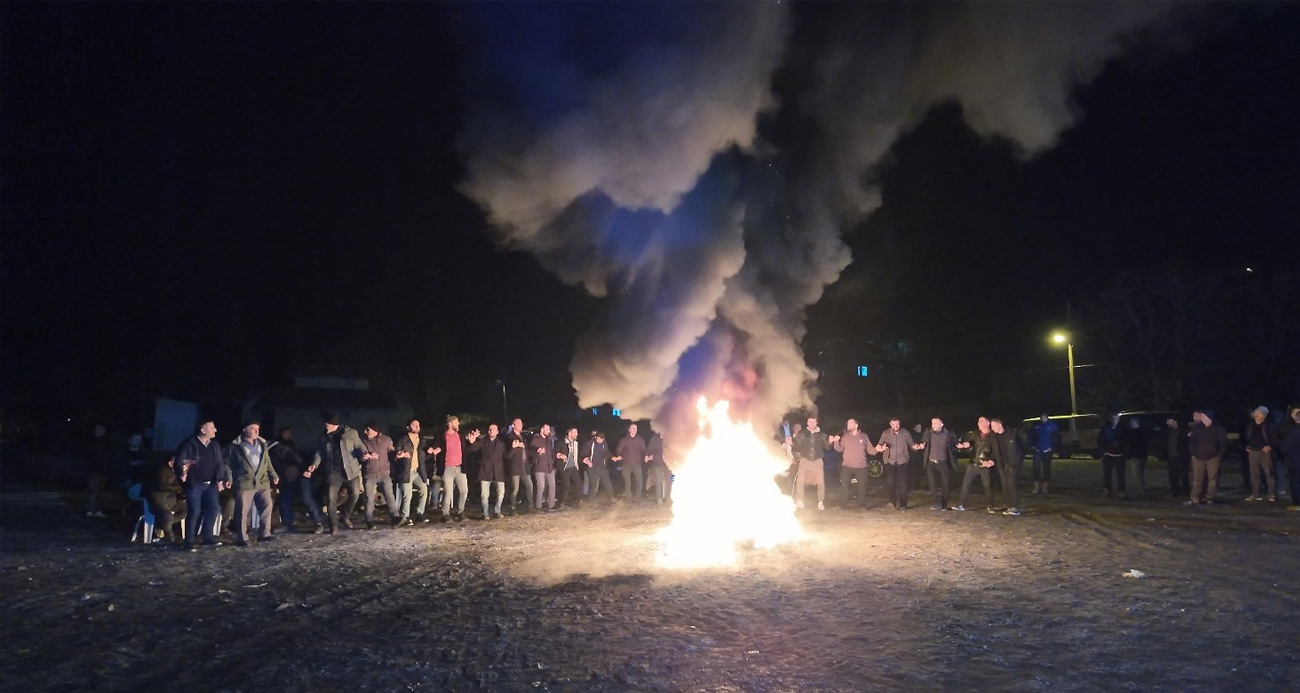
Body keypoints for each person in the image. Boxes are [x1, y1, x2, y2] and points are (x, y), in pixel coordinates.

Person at [305, 413, 366, 534]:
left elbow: (359, 446)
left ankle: (345, 516)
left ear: (334, 425)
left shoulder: (350, 433)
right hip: (333, 471)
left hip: (351, 470)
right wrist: (314, 465)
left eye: (328, 424)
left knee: (355, 494)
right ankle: (333, 525)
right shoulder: (323, 437)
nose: (325, 426)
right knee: (330, 499)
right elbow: (318, 453)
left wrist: (364, 455)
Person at [175, 419, 228, 551]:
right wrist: (184, 474)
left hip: (211, 484)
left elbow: (220, 463)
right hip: (195, 484)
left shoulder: (214, 445)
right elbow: (181, 462)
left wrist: (220, 479)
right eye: (212, 427)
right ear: (203, 430)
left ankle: (207, 537)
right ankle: (189, 541)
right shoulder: (189, 444)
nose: (215, 430)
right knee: (194, 511)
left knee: (214, 508)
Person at [226, 421, 280, 546]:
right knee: (242, 511)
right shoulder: (235, 447)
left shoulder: (262, 444)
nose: (257, 431)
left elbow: (267, 462)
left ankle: (265, 534)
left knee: (267, 506)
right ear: (245, 430)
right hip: (245, 482)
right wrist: (228, 478)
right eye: (253, 429)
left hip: (262, 481)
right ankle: (242, 538)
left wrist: (274, 475)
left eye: (258, 429)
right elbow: (227, 464)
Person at [269, 427, 324, 534]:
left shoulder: (278, 448)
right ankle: (287, 524)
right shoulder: (274, 448)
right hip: (287, 478)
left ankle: (318, 522)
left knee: (307, 499)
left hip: (299, 476)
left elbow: (294, 457)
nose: (287, 435)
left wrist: (303, 469)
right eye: (285, 433)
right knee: (285, 500)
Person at [393, 418, 439, 526]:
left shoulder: (422, 440)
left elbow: (423, 458)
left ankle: (420, 513)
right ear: (408, 427)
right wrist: (399, 455)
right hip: (406, 471)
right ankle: (405, 516)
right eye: (414, 425)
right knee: (407, 495)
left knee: (424, 489)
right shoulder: (403, 439)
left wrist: (432, 453)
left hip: (418, 471)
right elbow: (395, 453)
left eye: (418, 425)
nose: (417, 427)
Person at [790, 416, 838, 510]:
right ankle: (800, 501)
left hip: (817, 461)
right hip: (805, 460)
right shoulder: (802, 433)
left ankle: (820, 501)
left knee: (820, 482)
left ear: (817, 423)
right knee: (800, 481)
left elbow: (827, 447)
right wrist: (791, 442)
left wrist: (831, 442)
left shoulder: (822, 435)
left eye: (814, 422)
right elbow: (797, 445)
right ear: (807, 423)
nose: (812, 424)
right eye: (810, 422)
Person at [359, 423, 399, 529]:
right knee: (369, 498)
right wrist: (364, 456)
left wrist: (396, 455)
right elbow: (360, 454)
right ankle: (369, 520)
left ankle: (395, 517)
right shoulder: (363, 441)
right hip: (369, 473)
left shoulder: (386, 440)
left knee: (389, 495)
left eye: (368, 430)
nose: (365, 432)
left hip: (384, 473)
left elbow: (391, 452)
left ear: (375, 430)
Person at [914, 417, 959, 510]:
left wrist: (961, 445)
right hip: (931, 462)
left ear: (941, 424)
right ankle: (935, 503)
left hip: (943, 463)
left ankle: (944, 505)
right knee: (932, 483)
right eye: (932, 423)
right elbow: (924, 442)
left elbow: (955, 444)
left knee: (945, 484)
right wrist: (920, 446)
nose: (933, 425)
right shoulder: (928, 431)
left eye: (935, 423)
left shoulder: (948, 433)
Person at [1186, 408, 1229, 505]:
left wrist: (1219, 454)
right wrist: (1193, 453)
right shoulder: (1197, 428)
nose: (1200, 417)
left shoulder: (1218, 428)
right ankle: (1195, 497)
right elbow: (1192, 442)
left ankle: (1210, 497)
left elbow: (1223, 443)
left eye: (1202, 415)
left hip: (1213, 457)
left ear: (1208, 417)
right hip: (1198, 457)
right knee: (1197, 478)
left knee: (1212, 478)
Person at [466, 423, 508, 519]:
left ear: (497, 432)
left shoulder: (501, 443)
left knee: (501, 492)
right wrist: (472, 442)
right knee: (484, 495)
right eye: (489, 429)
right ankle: (485, 513)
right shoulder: (482, 441)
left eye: (493, 429)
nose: (491, 431)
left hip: (498, 472)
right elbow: (472, 449)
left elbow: (506, 456)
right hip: (485, 472)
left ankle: (497, 511)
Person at [954, 417, 994, 512]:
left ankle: (990, 505)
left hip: (985, 464)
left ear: (988, 423)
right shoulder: (976, 433)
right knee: (965, 484)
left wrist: (989, 460)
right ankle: (961, 504)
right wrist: (965, 445)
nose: (979, 423)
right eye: (978, 421)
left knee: (987, 486)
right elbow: (971, 442)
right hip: (973, 463)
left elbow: (995, 451)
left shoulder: (992, 435)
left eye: (981, 421)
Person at [833, 419, 874, 510]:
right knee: (845, 486)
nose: (848, 425)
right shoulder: (845, 437)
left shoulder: (864, 436)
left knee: (862, 487)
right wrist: (836, 441)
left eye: (851, 423)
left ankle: (862, 505)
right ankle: (843, 505)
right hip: (847, 465)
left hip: (861, 466)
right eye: (847, 424)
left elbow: (870, 449)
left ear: (856, 425)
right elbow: (839, 449)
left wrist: (877, 449)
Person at [145, 455, 186, 543]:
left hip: (171, 499)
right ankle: (168, 535)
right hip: (157, 498)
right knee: (167, 515)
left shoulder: (176, 472)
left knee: (187, 510)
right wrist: (180, 487)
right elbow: (161, 486)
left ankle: (161, 524)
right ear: (171, 463)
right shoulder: (161, 471)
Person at [877, 418, 915, 510]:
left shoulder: (905, 433)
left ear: (900, 424)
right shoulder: (885, 433)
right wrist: (881, 447)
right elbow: (879, 445)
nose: (895, 426)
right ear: (890, 424)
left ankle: (903, 504)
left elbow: (912, 444)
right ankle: (892, 502)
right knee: (891, 482)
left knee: (903, 483)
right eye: (893, 425)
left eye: (897, 424)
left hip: (902, 461)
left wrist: (916, 447)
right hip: (890, 461)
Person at [990, 419, 1025, 516]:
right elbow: (995, 450)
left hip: (1013, 464)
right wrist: (992, 460)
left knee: (1011, 485)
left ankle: (1015, 507)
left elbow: (1023, 447)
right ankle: (1008, 505)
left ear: (999, 424)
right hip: (1002, 464)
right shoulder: (995, 436)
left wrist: (1017, 461)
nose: (992, 429)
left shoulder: (1012, 434)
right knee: (1005, 485)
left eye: (993, 426)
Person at [1243, 406, 1278, 502]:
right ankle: (1256, 494)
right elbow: (1247, 437)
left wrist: (1269, 446)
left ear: (1263, 415)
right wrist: (1247, 446)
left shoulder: (1270, 425)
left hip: (1265, 453)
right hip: (1253, 452)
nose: (1255, 414)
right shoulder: (1250, 425)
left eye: (1257, 412)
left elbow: (1276, 439)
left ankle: (1272, 494)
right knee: (1254, 474)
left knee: (1269, 473)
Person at [440, 415, 469, 521]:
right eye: (456, 422)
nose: (458, 424)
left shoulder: (460, 436)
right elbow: (437, 447)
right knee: (448, 492)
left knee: (464, 491)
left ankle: (460, 512)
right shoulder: (443, 436)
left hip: (460, 467)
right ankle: (445, 514)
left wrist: (470, 442)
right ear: (450, 423)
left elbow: (465, 449)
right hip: (448, 468)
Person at [83, 423, 112, 518]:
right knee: (93, 490)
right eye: (98, 428)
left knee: (100, 491)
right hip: (93, 470)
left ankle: (97, 509)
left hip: (103, 469)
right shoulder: (90, 441)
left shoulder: (106, 441)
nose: (100, 430)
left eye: (102, 428)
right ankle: (90, 510)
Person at [612, 423, 647, 502]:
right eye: (633, 428)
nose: (635, 430)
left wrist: (645, 456)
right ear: (629, 430)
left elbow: (644, 450)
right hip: (626, 464)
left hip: (637, 464)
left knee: (639, 481)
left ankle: (637, 498)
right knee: (627, 482)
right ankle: (629, 499)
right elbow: (619, 449)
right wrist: (618, 455)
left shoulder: (640, 440)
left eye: (636, 428)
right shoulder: (624, 440)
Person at [505, 419, 534, 512]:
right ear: (513, 426)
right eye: (519, 424)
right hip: (515, 466)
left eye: (521, 423)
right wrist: (514, 447)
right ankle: (512, 508)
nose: (521, 425)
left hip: (524, 466)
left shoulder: (522, 436)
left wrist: (536, 452)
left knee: (529, 485)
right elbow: (507, 455)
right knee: (515, 488)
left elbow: (526, 451)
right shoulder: (509, 437)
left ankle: (530, 506)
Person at [1098, 414, 1128, 499]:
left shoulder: (1123, 427)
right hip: (1108, 454)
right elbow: (1100, 440)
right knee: (1107, 474)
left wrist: (1120, 444)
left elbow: (1127, 439)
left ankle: (1121, 491)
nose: (1115, 419)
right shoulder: (1105, 427)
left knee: (1120, 474)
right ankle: (1107, 490)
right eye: (1113, 417)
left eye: (1116, 417)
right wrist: (1104, 451)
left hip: (1119, 454)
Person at [1028, 414, 1059, 495]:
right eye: (1041, 417)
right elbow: (1030, 436)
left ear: (1047, 418)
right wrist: (1033, 446)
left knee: (1047, 469)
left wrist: (1052, 447)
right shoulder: (1036, 425)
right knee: (1035, 469)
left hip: (1047, 451)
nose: (1043, 419)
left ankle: (1045, 488)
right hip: (1037, 451)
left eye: (1044, 417)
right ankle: (1036, 488)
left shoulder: (1052, 425)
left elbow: (1057, 437)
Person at [530, 424, 558, 511]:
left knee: (552, 485)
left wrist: (556, 455)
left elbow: (550, 453)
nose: (549, 431)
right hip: (539, 467)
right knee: (541, 486)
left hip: (549, 466)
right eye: (547, 429)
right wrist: (537, 451)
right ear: (542, 430)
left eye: (549, 430)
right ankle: (538, 506)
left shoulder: (548, 441)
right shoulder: (536, 439)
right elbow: (530, 451)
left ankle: (551, 505)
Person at [556, 426, 585, 508]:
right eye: (575, 432)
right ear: (569, 433)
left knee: (578, 483)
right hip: (564, 467)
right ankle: (563, 503)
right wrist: (559, 455)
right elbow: (555, 453)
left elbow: (576, 456)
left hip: (573, 467)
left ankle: (580, 500)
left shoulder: (575, 443)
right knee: (567, 485)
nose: (577, 434)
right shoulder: (561, 443)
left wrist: (583, 460)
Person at [583, 431, 615, 504]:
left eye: (601, 439)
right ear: (595, 437)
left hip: (602, 467)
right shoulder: (589, 444)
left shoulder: (604, 443)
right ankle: (591, 501)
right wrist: (586, 460)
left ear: (603, 439)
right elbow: (583, 455)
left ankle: (612, 498)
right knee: (593, 485)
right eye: (597, 439)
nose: (599, 441)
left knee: (607, 483)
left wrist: (612, 457)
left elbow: (607, 452)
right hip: (592, 468)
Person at [1162, 417, 1190, 499]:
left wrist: (1185, 452)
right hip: (1171, 456)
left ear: (1175, 421)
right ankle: (1175, 491)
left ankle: (1185, 491)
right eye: (1167, 421)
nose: (1168, 423)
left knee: (1183, 475)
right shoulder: (1168, 432)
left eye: (1170, 421)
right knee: (1172, 475)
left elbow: (1186, 442)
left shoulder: (1182, 431)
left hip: (1180, 456)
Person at [1280, 406, 1300, 510]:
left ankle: (1297, 503)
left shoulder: (1295, 430)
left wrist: (1283, 451)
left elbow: (1287, 445)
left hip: (1295, 460)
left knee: (1295, 482)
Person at [644, 430, 670, 505]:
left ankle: (667, 496)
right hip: (657, 463)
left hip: (668, 464)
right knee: (658, 481)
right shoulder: (654, 439)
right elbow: (649, 449)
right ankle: (659, 498)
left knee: (668, 481)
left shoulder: (669, 438)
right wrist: (647, 456)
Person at [1126, 417, 1150, 495]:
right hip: (1141, 455)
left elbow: (1131, 444)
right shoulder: (1142, 431)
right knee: (1139, 473)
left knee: (1136, 474)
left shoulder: (1134, 432)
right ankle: (1141, 489)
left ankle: (1142, 490)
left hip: (1136, 456)